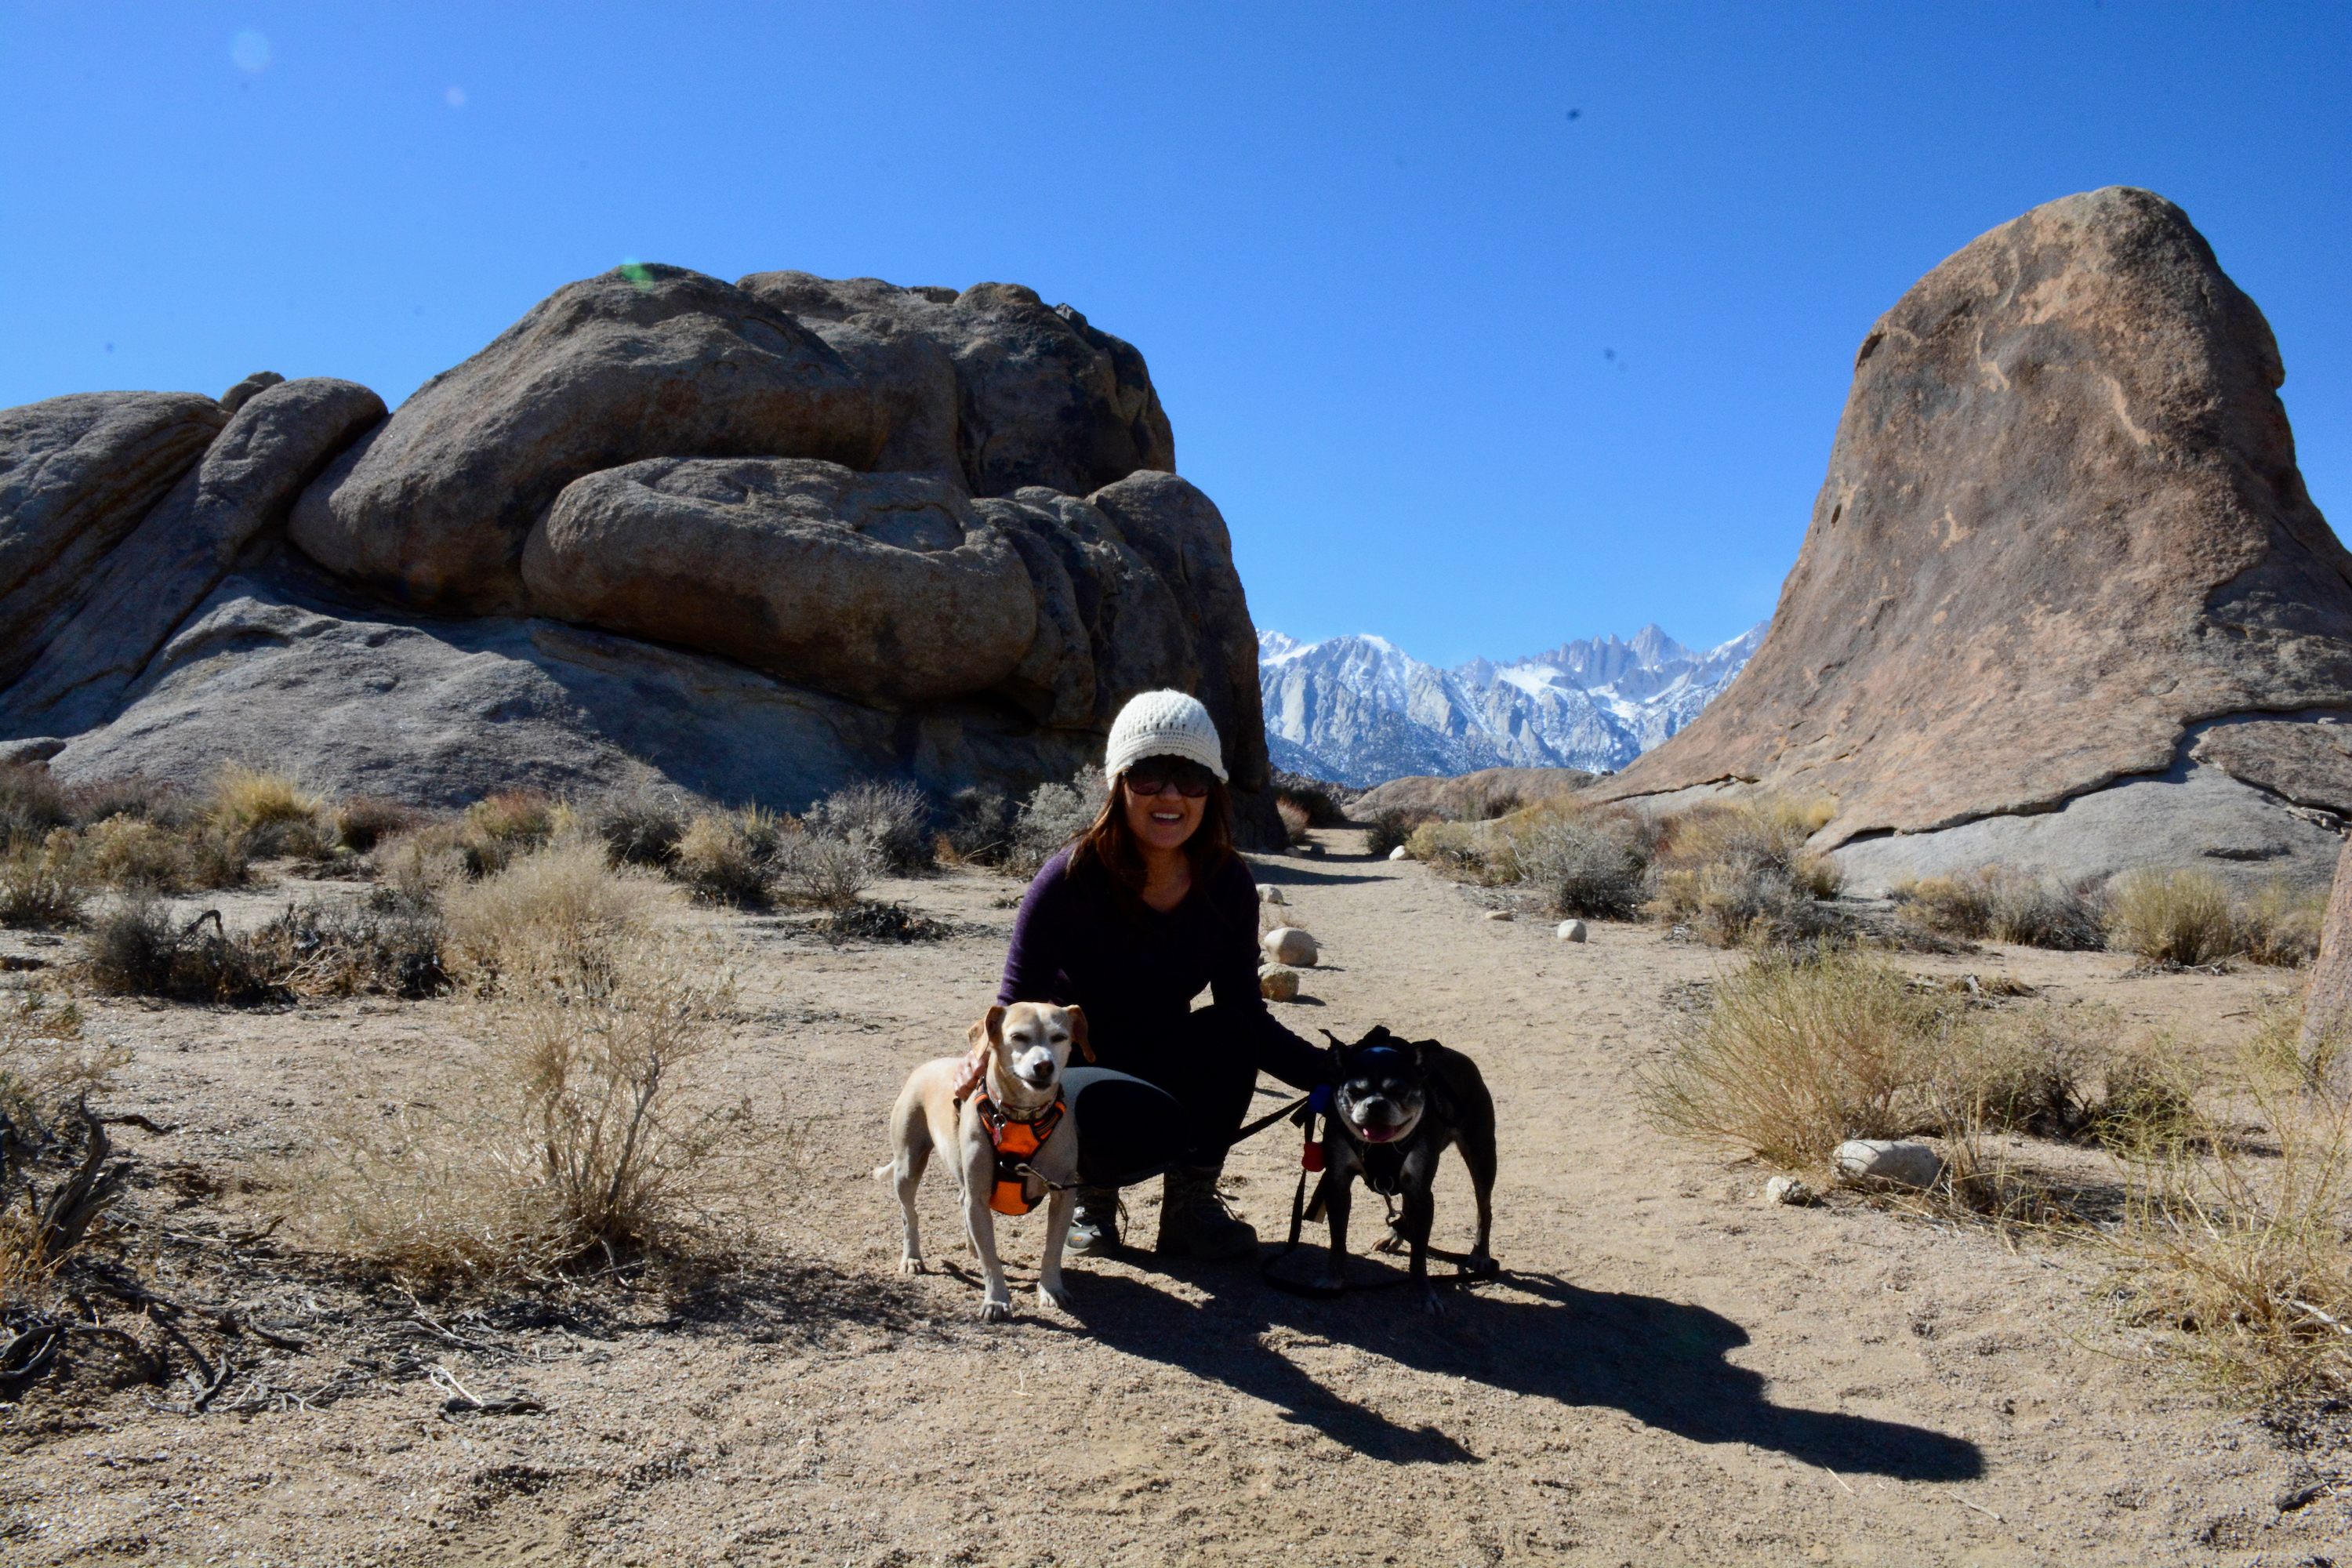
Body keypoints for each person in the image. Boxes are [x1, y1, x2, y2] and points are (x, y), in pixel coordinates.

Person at [988, 689, 1331, 1258]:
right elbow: (1014, 1009)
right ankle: (1088, 1199)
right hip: (1082, 1070)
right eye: (1149, 775)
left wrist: (1334, 1074)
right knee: (1100, 1097)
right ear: (1119, 783)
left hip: (1165, 1057)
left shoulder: (1227, 884)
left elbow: (1248, 1014)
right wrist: (976, 1081)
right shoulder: (1069, 879)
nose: (1170, 795)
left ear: (1211, 791)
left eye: (1191, 777)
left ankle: (1190, 1208)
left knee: (1230, 1033)